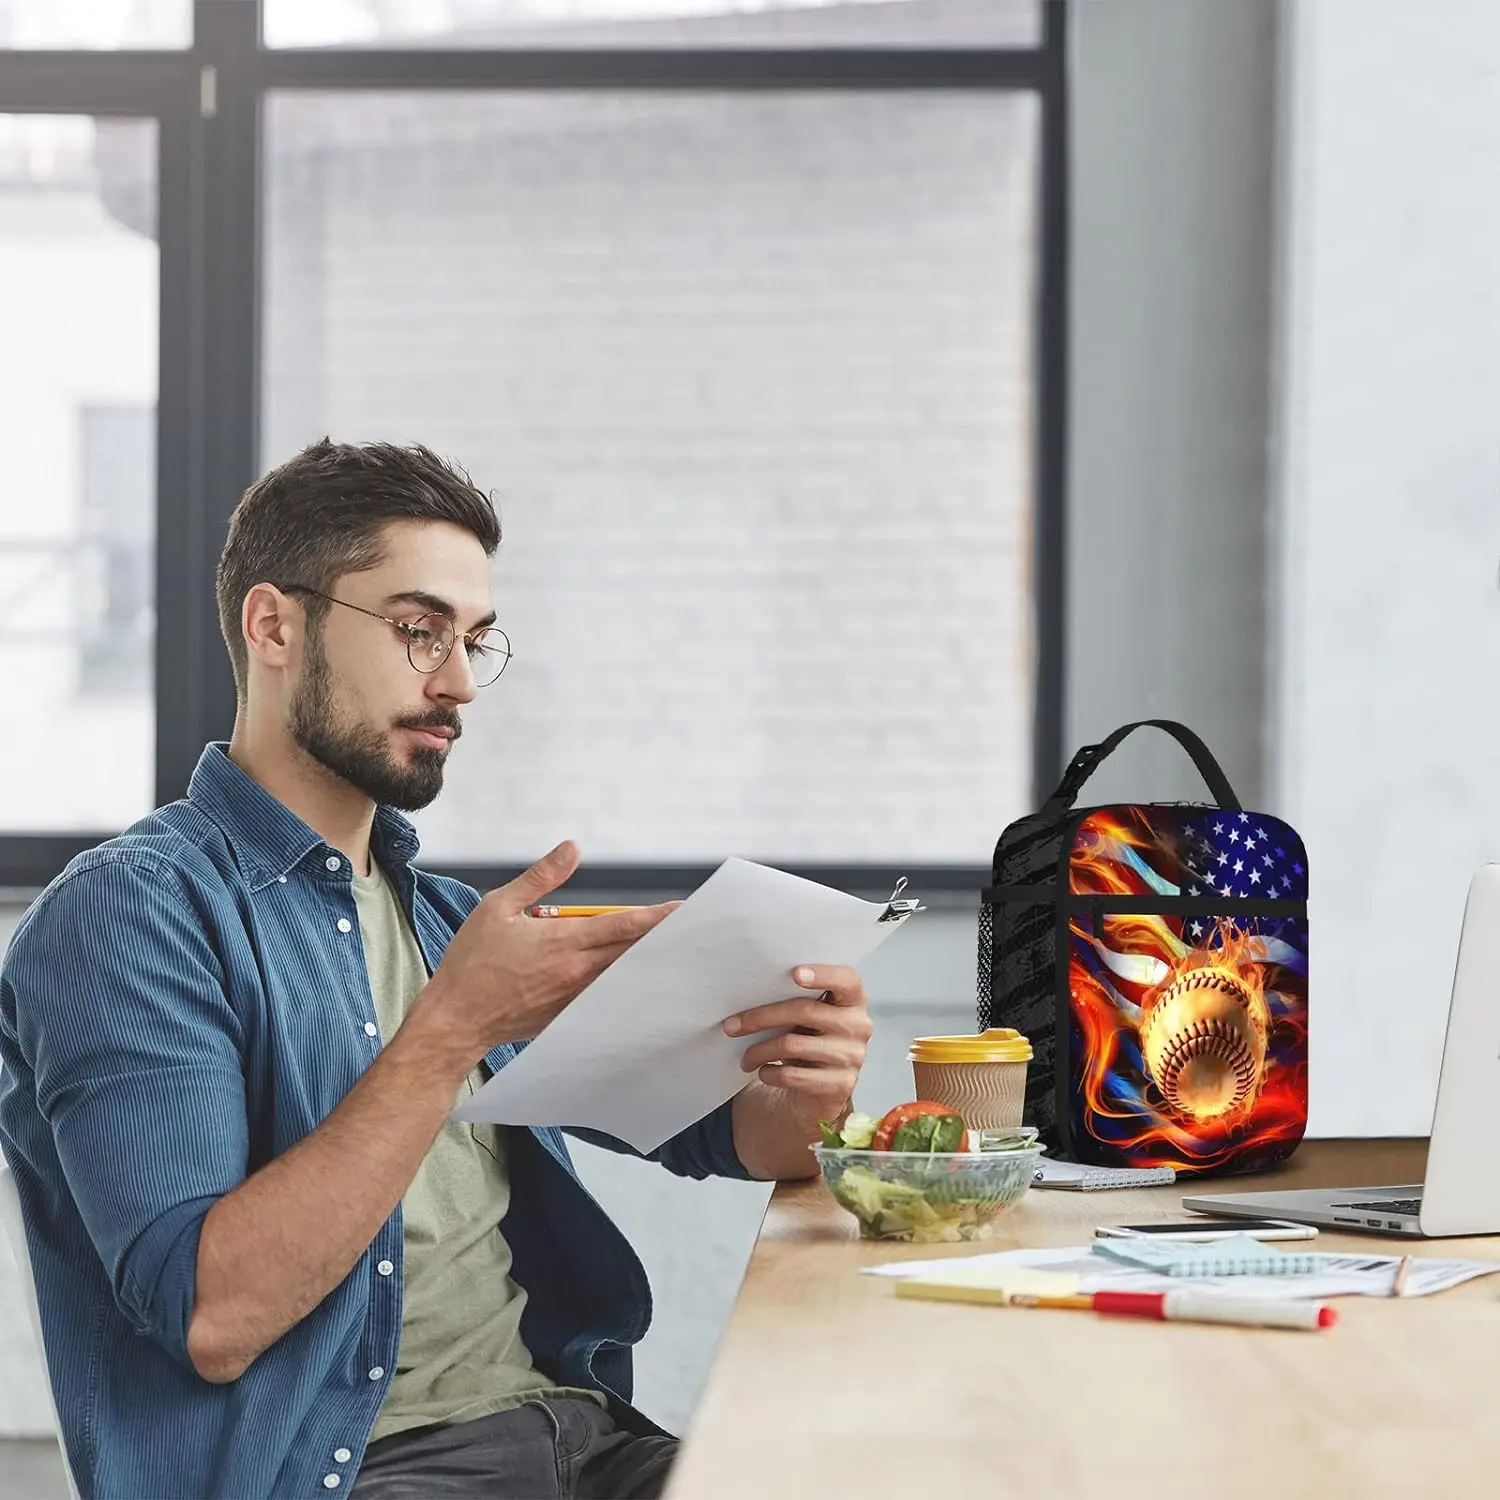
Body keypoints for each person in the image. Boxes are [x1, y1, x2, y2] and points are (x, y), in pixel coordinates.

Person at [0, 439, 874, 1500]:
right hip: (360, 1475)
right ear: (274, 626)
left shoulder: (447, 921)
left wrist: (807, 1080)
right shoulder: (132, 916)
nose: (458, 682)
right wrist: (451, 1029)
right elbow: (211, 1315)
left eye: (475, 640)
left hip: (575, 1438)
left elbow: (737, 1140)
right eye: (418, 631)